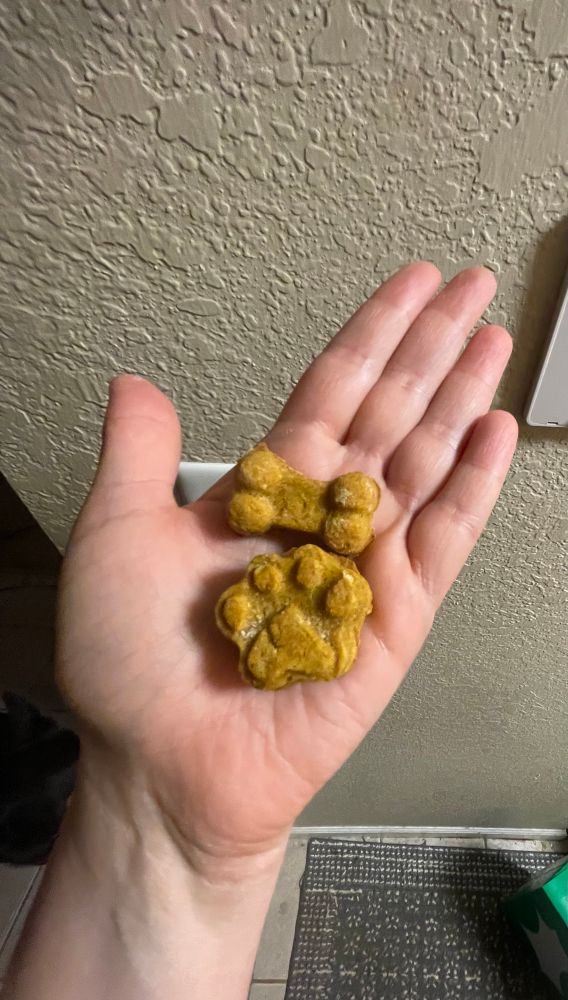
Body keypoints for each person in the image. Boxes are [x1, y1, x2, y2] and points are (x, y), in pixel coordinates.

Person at [4, 263, 517, 999]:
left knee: (300, 592)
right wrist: (150, 806)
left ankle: (289, 606)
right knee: (289, 594)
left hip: (300, 587)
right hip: (289, 590)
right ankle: (284, 608)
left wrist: (161, 829)